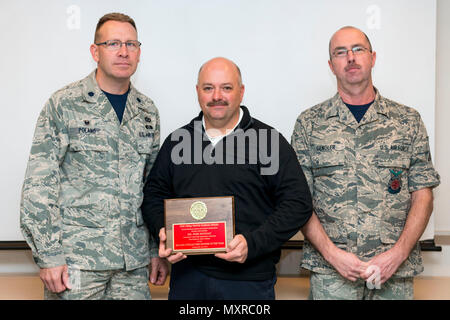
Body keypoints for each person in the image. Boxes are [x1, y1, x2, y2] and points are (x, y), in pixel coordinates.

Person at [20, 12, 168, 300]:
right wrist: (48, 255)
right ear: (95, 52)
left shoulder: (147, 111)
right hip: (77, 262)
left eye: (131, 44)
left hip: (133, 264)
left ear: (139, 53)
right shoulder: (64, 104)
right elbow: (39, 185)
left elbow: (152, 188)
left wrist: (154, 250)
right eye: (113, 43)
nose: (124, 51)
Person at [141, 57, 313, 300]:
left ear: (241, 92)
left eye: (227, 88)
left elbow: (298, 203)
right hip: (188, 280)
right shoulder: (177, 142)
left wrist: (252, 244)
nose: (217, 96)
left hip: (249, 283)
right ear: (198, 92)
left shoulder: (269, 142)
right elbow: (153, 196)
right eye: (208, 88)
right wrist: (164, 230)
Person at [292, 26, 440, 299]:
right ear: (331, 65)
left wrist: (398, 255)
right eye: (340, 52)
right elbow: (299, 200)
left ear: (372, 57)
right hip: (331, 275)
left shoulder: (407, 121)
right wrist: (333, 255)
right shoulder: (309, 124)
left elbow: (423, 196)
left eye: (358, 49)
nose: (350, 57)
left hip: (394, 272)